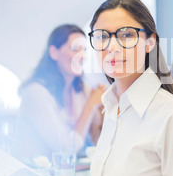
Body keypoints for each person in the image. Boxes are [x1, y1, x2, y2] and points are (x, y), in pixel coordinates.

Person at [52, 0, 173, 176]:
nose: (112, 46)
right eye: (102, 36)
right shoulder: (114, 108)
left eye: (126, 35)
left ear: (150, 42)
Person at [13, 24, 105, 165]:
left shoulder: (82, 90)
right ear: (54, 52)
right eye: (75, 49)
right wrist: (91, 105)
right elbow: (66, 150)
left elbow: (98, 143)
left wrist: (104, 112)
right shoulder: (35, 93)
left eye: (85, 50)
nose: (82, 56)